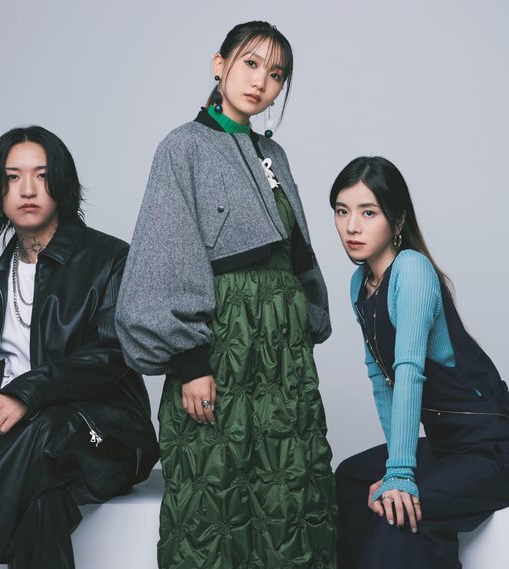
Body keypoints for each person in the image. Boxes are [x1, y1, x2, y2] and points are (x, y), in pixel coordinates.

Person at [116, 20, 337, 569]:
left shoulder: (273, 153)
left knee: (289, 493)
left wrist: (307, 315)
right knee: (214, 496)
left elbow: (296, 253)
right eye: (251, 63)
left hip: (282, 355)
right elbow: (167, 252)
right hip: (221, 347)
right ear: (220, 65)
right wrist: (191, 361)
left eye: (276, 74)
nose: (261, 81)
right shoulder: (182, 147)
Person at [0, 126, 159, 569]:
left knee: (45, 426)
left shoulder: (110, 260)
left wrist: (25, 393)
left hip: (105, 437)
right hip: (14, 457)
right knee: (40, 507)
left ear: (61, 183)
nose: (27, 189)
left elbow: (112, 354)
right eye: (13, 177)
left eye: (41, 176)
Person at [330, 156, 509, 568]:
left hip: (494, 453)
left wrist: (401, 475)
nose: (352, 227)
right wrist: (394, 467)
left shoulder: (412, 270)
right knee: (350, 479)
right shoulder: (360, 284)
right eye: (341, 211)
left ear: (397, 219)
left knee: (397, 511)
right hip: (445, 449)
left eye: (368, 212)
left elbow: (408, 374)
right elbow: (381, 382)